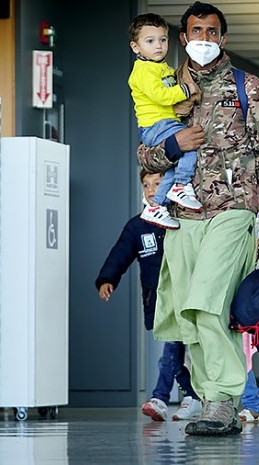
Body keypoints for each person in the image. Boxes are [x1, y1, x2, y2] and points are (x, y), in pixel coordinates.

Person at [137, 1, 259, 437]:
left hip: (234, 208)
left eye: (212, 31)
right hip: (183, 212)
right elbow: (144, 152)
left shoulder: (248, 87)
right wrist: (174, 147)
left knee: (207, 302)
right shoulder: (165, 85)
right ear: (183, 37)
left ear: (222, 39)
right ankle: (213, 399)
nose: (204, 39)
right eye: (196, 31)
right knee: (189, 315)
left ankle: (222, 399)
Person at [95, 170, 201, 422]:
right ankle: (192, 395)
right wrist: (107, 279)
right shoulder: (138, 225)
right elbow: (120, 253)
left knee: (175, 350)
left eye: (158, 183)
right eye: (146, 184)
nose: (151, 189)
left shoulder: (184, 220)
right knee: (172, 352)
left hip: (188, 297)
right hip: (157, 299)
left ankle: (161, 398)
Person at [128, 13, 203, 230]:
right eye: (150, 41)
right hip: (155, 126)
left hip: (166, 122)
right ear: (136, 47)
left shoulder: (163, 68)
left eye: (162, 40)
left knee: (178, 160)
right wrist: (186, 89)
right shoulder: (142, 71)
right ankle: (181, 185)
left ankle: (156, 206)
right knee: (190, 146)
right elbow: (162, 96)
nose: (158, 46)